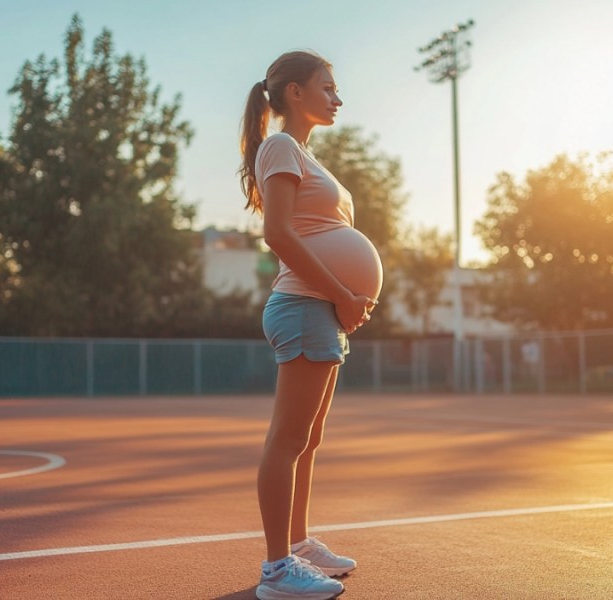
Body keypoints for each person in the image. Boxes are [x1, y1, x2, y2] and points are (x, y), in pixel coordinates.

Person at [239, 50, 383, 600]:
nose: (337, 98)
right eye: (327, 87)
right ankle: (276, 571)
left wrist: (348, 299)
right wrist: (344, 292)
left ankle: (297, 545)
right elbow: (278, 233)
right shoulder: (279, 146)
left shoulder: (303, 154)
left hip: (322, 308)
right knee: (288, 438)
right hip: (304, 304)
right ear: (294, 93)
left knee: (310, 438)